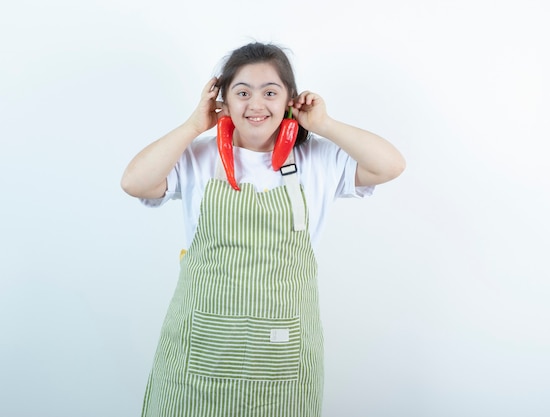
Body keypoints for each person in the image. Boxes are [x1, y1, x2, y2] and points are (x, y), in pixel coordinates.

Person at [121, 42, 405, 417]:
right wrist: (193, 126)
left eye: (270, 92)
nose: (256, 105)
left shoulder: (317, 159)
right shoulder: (196, 158)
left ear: (290, 99)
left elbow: (390, 165)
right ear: (223, 100)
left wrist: (325, 125)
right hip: (201, 354)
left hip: (282, 359)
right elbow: (134, 182)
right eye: (242, 92)